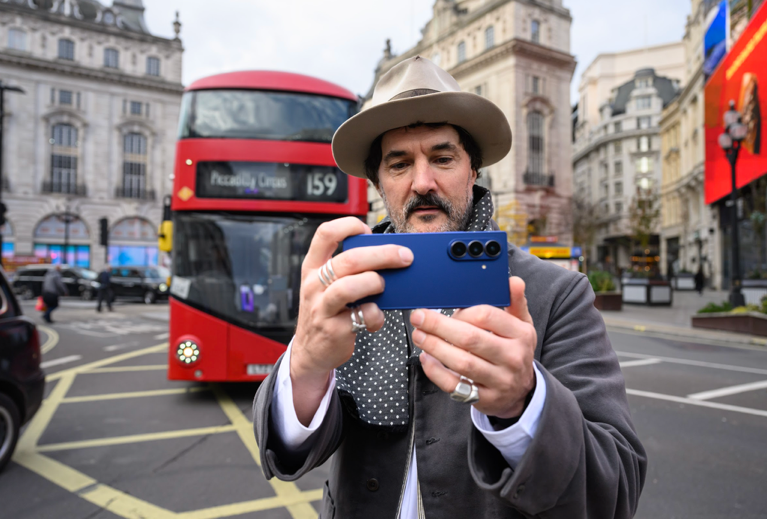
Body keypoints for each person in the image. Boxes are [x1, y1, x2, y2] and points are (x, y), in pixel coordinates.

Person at [253, 56, 647, 518]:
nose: (423, 182)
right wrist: (305, 362)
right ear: (379, 184)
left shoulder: (557, 293)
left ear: (472, 172)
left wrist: (524, 402)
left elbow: (614, 489)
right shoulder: (348, 287)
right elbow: (288, 449)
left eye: (442, 159)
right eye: (399, 164)